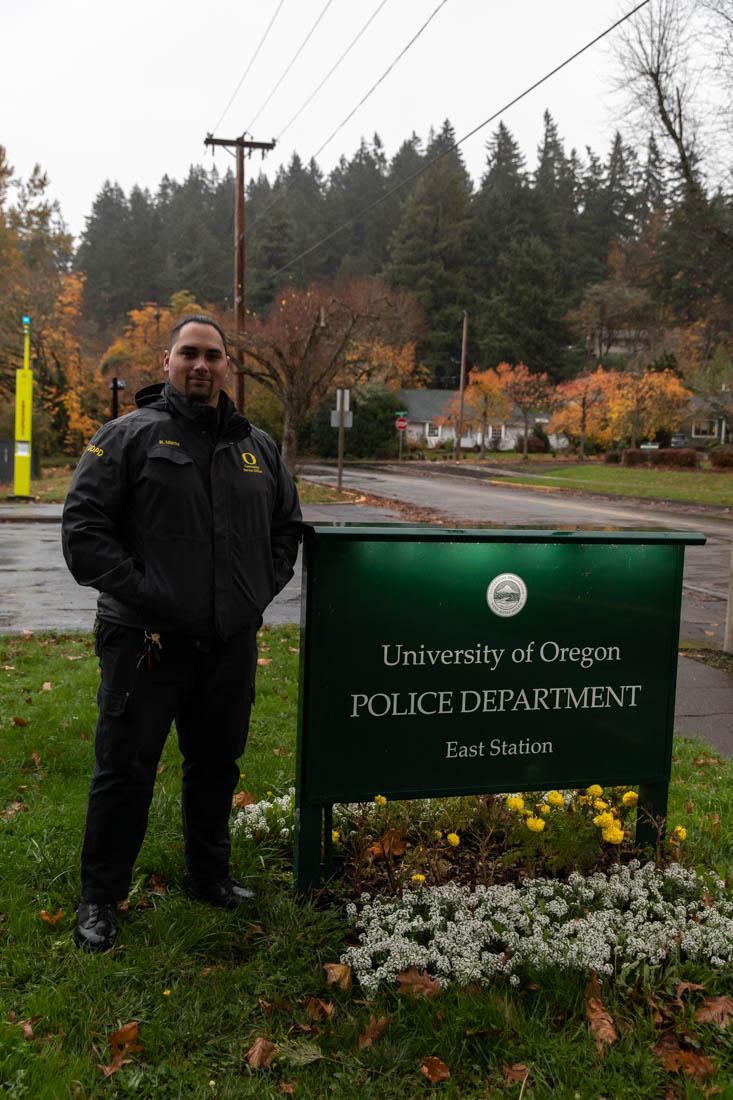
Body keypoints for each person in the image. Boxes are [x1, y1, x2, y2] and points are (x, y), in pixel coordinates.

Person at [62, 315, 301, 951]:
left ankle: (210, 876)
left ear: (228, 367)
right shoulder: (128, 436)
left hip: (228, 644)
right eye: (189, 354)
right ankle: (101, 897)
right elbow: (84, 531)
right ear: (166, 361)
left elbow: (286, 532)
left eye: (213, 356)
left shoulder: (258, 448)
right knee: (125, 769)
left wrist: (252, 595)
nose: (201, 365)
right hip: (146, 642)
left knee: (217, 765)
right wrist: (150, 595)